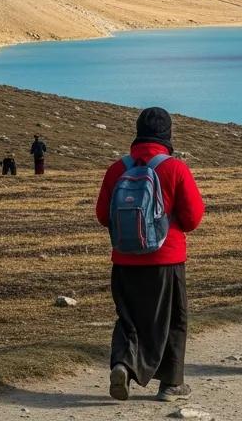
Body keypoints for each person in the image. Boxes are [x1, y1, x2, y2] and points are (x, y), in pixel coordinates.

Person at [95, 107, 205, 403]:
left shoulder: (117, 169)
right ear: (168, 134)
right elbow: (193, 218)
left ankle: (122, 364)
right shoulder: (174, 168)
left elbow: (103, 215)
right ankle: (170, 384)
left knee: (128, 318)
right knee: (172, 319)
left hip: (124, 261)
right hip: (165, 260)